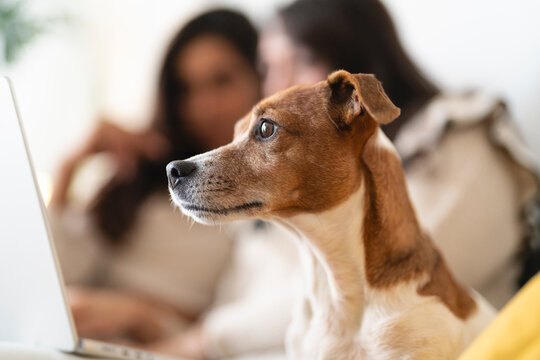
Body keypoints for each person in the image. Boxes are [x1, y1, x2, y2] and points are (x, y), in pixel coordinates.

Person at [259, 0, 540, 310]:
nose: (278, 88)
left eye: (302, 59)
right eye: (270, 69)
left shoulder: (458, 134)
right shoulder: (311, 178)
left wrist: (210, 340)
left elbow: (400, 285)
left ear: (357, 57)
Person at [48, 9, 279, 359]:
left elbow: (229, 327)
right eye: (187, 89)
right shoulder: (147, 175)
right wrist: (70, 165)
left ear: (262, 75)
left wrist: (138, 314)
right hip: (76, 329)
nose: (205, 106)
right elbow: (60, 275)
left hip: (149, 343)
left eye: (222, 81)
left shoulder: (268, 204)